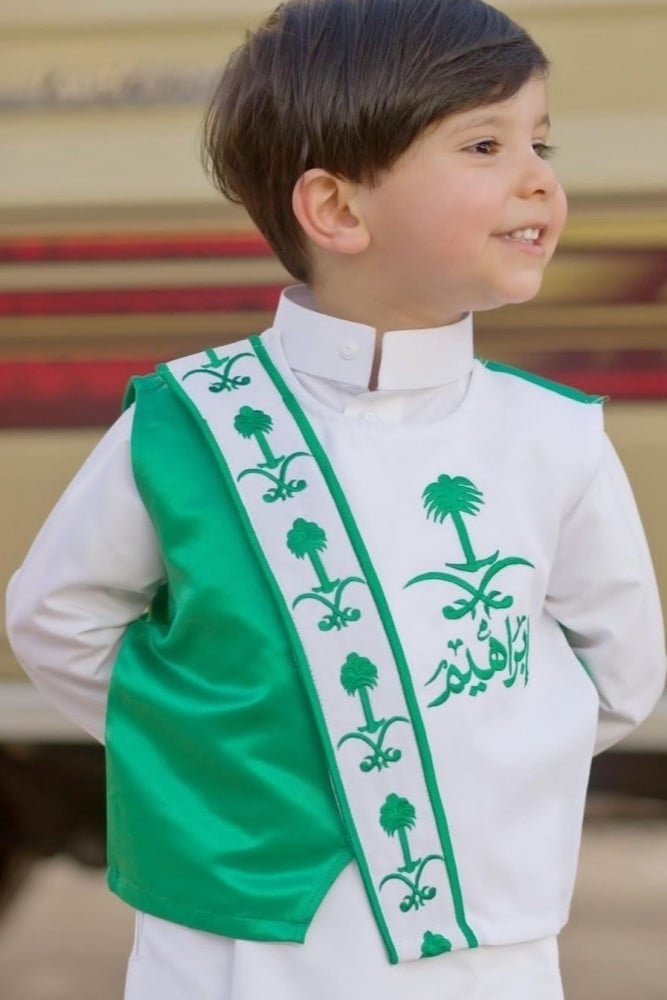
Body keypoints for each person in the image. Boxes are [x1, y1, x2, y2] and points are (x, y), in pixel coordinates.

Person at [6, 1, 665, 998]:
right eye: (483, 145)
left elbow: (619, 671)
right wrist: (216, 756)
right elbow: (57, 616)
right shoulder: (188, 422)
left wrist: (475, 765)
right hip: (233, 939)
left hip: (479, 943)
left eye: (541, 142)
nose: (537, 177)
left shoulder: (551, 436)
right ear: (338, 209)